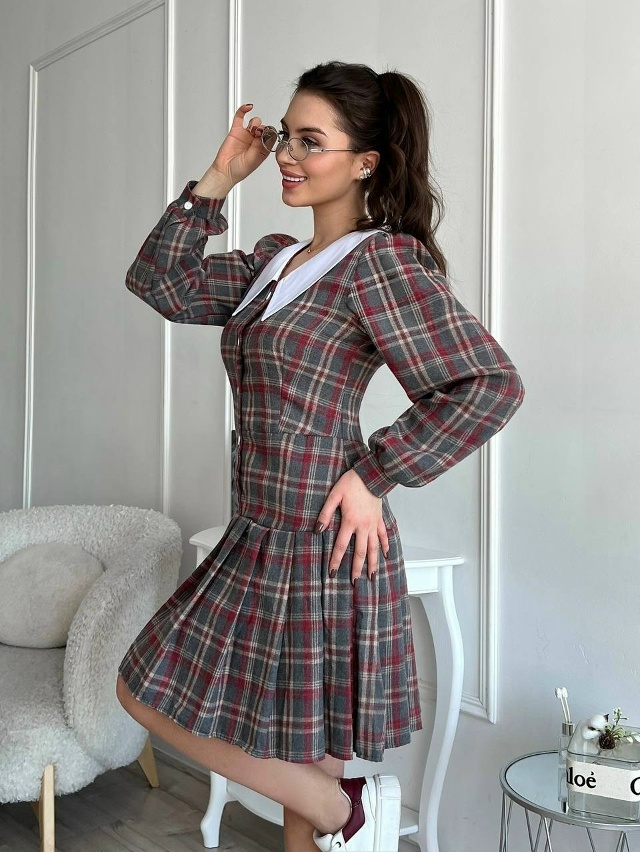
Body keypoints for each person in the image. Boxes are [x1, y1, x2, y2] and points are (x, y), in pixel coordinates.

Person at [116, 61, 524, 852]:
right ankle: (351, 814)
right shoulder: (275, 262)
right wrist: (218, 177)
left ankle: (344, 815)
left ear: (365, 161)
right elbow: (160, 281)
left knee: (300, 749)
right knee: (158, 691)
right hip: (258, 527)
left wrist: (376, 474)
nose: (287, 156)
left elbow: (489, 384)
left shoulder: (381, 262)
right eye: (286, 138)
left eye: (311, 141)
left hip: (324, 534)